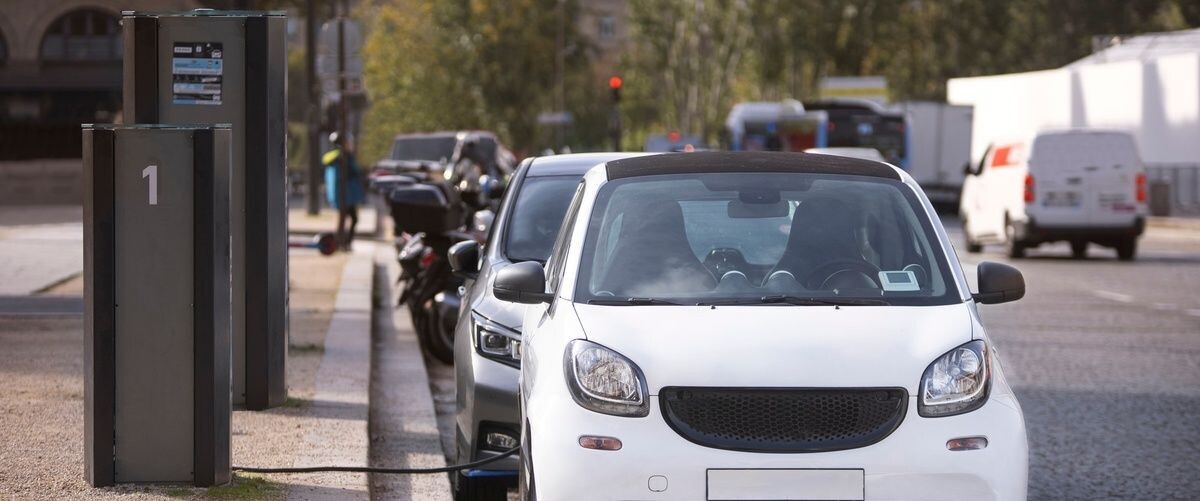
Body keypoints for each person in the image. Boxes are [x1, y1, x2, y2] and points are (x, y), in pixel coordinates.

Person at [323, 132, 365, 250]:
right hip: (347, 195)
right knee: (351, 219)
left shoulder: (334, 158)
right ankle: (344, 242)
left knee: (346, 219)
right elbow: (355, 172)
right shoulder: (344, 157)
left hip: (341, 194)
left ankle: (342, 242)